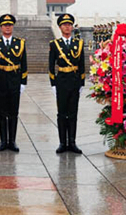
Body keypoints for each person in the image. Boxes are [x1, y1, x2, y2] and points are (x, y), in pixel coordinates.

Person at [0, 14, 27, 152]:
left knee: (13, 112)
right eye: (5, 25)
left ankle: (12, 141)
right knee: (1, 112)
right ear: (1, 27)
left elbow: (24, 64)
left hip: (14, 80)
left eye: (10, 25)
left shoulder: (20, 43)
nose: (7, 27)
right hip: (0, 81)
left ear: (12, 26)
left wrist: (23, 82)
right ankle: (3, 141)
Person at [49, 13, 84, 154]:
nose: (67, 27)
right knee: (62, 113)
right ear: (60, 27)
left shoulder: (79, 44)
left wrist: (81, 83)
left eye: (69, 24)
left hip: (74, 81)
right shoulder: (55, 44)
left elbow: (81, 65)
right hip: (62, 81)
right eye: (64, 25)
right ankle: (62, 143)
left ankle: (72, 142)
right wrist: (53, 83)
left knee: (73, 113)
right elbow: (51, 66)